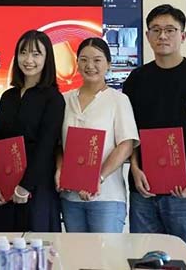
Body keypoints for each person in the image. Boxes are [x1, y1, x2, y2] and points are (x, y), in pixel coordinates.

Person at [123, 5, 186, 259]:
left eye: (170, 30)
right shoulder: (136, 79)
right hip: (144, 192)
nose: (163, 36)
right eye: (156, 30)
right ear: (147, 36)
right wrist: (134, 169)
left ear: (183, 35)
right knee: (145, 261)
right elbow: (128, 132)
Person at [0, 30, 65, 233]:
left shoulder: (53, 98)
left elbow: (46, 146)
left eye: (36, 54)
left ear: (47, 58)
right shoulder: (8, 96)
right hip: (3, 187)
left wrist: (26, 186)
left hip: (36, 187)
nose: (28, 60)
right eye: (23, 53)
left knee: (35, 247)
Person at [57, 37, 139, 233]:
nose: (90, 66)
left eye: (97, 60)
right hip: (70, 197)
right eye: (84, 60)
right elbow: (58, 144)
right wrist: (59, 170)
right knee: (76, 251)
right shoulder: (64, 100)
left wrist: (98, 178)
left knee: (106, 252)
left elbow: (126, 144)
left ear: (108, 64)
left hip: (107, 198)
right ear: (77, 63)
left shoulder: (118, 100)